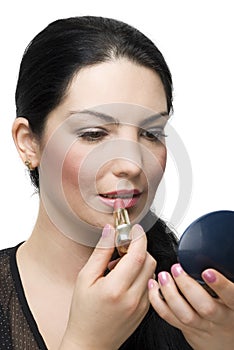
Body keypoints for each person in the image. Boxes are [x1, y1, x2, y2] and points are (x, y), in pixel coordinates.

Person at [0, 16, 233, 350]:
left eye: (151, 133)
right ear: (29, 143)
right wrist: (87, 342)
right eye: (94, 134)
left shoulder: (205, 303)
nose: (132, 164)